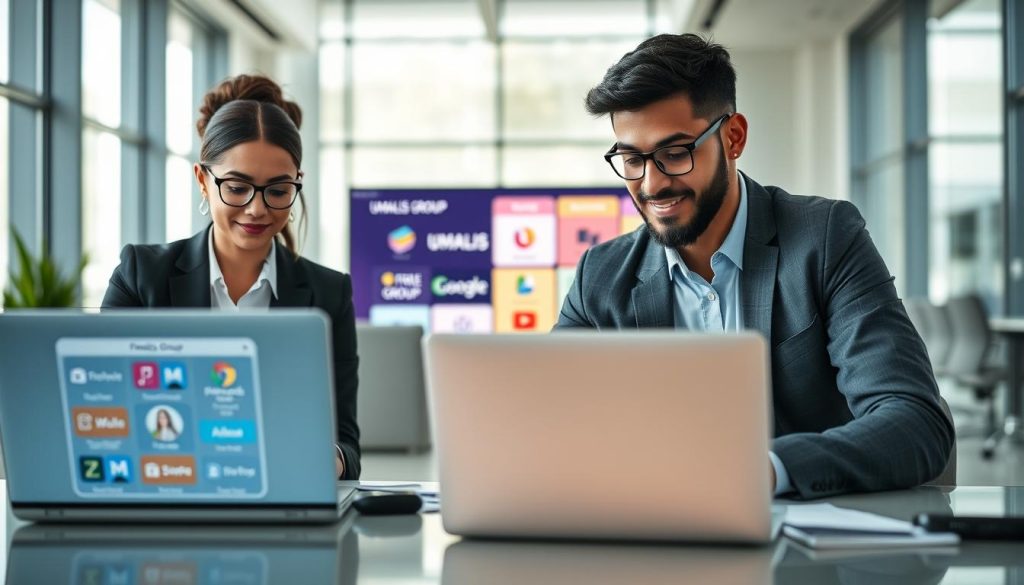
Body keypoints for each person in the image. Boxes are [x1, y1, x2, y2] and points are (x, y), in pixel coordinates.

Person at [556, 34, 953, 499]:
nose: (652, 183)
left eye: (675, 153)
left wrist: (766, 471)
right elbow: (549, 420)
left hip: (808, 553)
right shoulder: (601, 276)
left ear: (733, 137)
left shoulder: (824, 238)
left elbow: (914, 420)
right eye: (631, 158)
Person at [102, 74, 360, 479]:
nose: (257, 209)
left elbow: (347, 441)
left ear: (297, 185)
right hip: (168, 487)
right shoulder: (141, 275)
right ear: (203, 181)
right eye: (237, 187)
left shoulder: (330, 293)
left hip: (281, 496)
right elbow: (105, 408)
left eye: (277, 191)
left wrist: (330, 459)